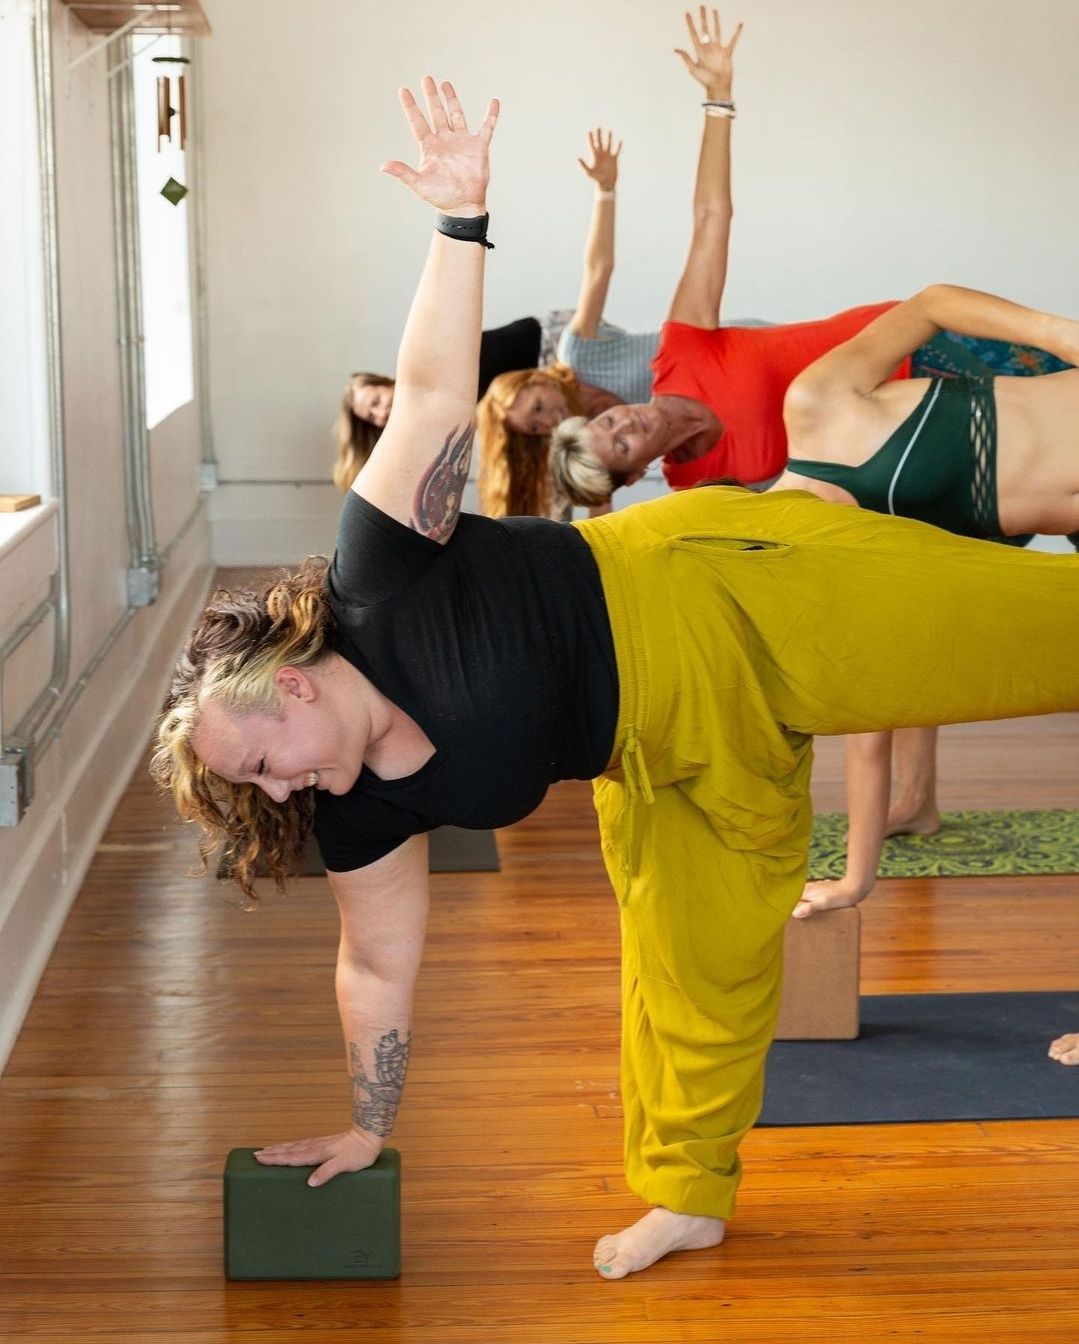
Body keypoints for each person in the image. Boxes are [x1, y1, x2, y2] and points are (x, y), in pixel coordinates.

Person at [152, 73, 1079, 1284]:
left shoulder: (378, 572)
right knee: (685, 966)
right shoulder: (355, 806)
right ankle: (687, 1193)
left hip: (724, 601)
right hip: (656, 757)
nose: (281, 797)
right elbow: (373, 965)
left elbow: (433, 394)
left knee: (1047, 634)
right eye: (263, 795)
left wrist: (457, 221)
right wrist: (367, 1126)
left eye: (261, 768)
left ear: (292, 678)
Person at [745, 284, 1079, 922]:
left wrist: (1060, 335)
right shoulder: (846, 566)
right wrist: (854, 880)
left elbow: (931, 305)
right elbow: (870, 733)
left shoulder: (816, 408)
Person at [334, 318, 552, 492]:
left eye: (376, 401)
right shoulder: (429, 420)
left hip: (547, 346)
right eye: (372, 417)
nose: (380, 413)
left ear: (387, 382)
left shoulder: (431, 378)